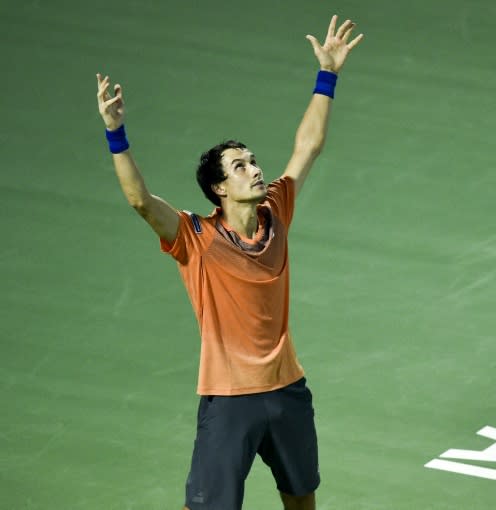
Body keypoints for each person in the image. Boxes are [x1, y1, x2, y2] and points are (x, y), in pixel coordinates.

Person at [96, 15, 363, 510]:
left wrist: (327, 77)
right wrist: (116, 133)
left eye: (252, 160)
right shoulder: (194, 238)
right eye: (240, 166)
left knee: (301, 501)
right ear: (219, 188)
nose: (255, 168)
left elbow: (308, 147)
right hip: (228, 400)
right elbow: (139, 200)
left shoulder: (276, 210)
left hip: (287, 391)